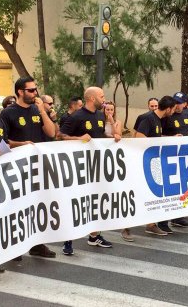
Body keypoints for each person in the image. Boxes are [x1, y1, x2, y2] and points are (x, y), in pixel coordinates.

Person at [58, 87, 120, 254]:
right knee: (76, 203)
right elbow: (60, 136)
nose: (104, 99)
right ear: (92, 98)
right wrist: (78, 139)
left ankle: (94, 236)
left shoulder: (100, 116)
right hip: (79, 169)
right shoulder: (77, 116)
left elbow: (98, 137)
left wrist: (112, 137)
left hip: (96, 167)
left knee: (96, 202)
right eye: (102, 96)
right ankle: (68, 240)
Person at [0, 76, 56, 258]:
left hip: (37, 166)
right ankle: (14, 246)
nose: (35, 93)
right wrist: (21, 144)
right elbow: (3, 141)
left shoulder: (36, 109)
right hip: (16, 167)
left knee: (37, 203)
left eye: (35, 89)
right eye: (31, 90)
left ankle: (37, 243)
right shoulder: (8, 113)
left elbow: (51, 132)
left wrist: (42, 110)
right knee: (17, 206)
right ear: (20, 92)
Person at [135, 95, 176, 236]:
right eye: (173, 109)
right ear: (169, 108)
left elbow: (155, 138)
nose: (173, 112)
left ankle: (151, 224)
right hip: (146, 161)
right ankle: (127, 227)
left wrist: (171, 139)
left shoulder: (158, 120)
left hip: (153, 161)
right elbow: (139, 137)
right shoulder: (148, 118)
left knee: (153, 195)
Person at [159, 92, 188, 231]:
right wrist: (172, 137)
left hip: (182, 156)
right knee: (168, 189)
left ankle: (178, 217)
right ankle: (162, 222)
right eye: (175, 103)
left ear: (185, 104)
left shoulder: (186, 115)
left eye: (179, 103)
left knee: (182, 188)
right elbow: (157, 135)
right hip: (168, 156)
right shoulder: (167, 117)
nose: (177, 106)